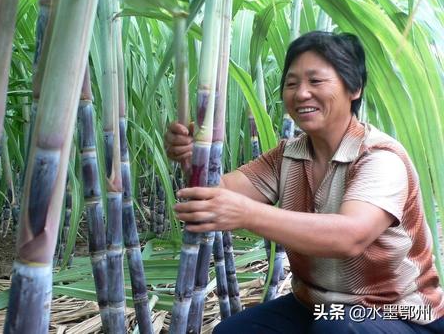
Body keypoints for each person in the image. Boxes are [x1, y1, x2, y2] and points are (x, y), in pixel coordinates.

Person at [164, 31, 444, 333]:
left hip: (397, 312)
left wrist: (247, 214)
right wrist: (194, 158)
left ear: (355, 88)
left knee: (336, 330)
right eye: (292, 83)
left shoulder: (379, 157)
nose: (300, 93)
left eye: (316, 81)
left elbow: (350, 236)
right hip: (318, 307)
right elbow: (218, 193)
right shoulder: (288, 154)